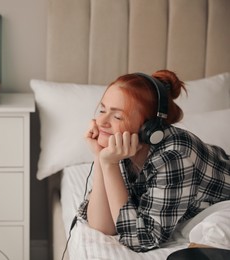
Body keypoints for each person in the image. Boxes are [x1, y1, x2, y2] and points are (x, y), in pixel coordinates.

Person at [80, 69, 230, 252]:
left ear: (149, 128)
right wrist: (101, 159)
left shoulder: (174, 156)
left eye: (117, 116)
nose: (102, 121)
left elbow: (143, 239)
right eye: (102, 109)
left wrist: (110, 165)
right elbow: (103, 226)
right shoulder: (123, 148)